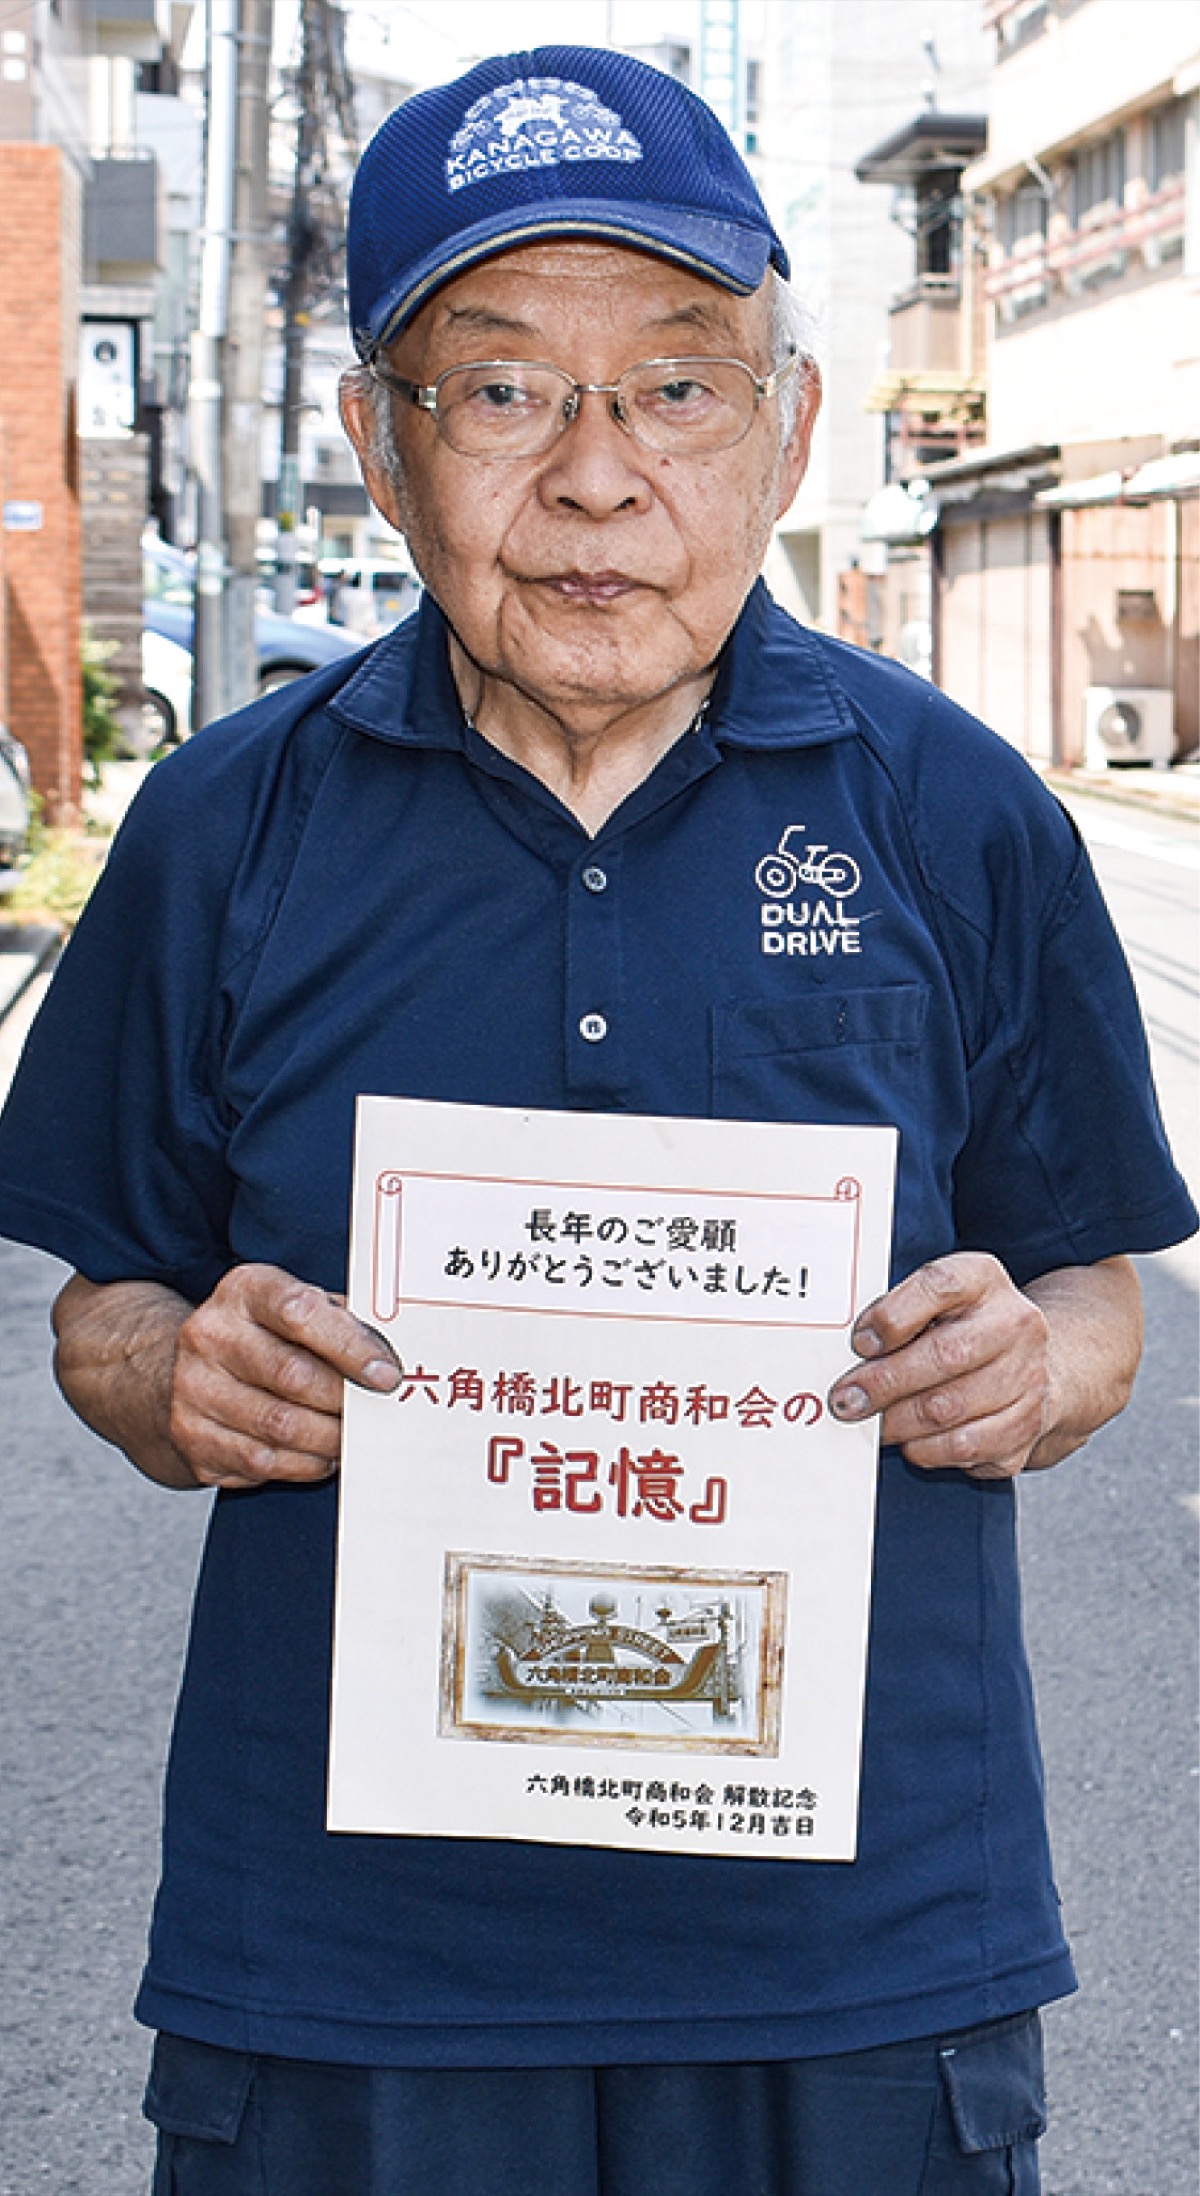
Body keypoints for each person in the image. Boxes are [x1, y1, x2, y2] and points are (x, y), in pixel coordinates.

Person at [0, 45, 1193, 2196]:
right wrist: (177, 1373)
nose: (596, 476)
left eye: (675, 387)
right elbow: (107, 1307)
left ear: (789, 429)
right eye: (500, 390)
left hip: (862, 1961)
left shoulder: (954, 814)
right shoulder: (222, 827)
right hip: (343, 1966)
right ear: (379, 444)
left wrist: (1032, 1363)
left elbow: (1094, 1290)